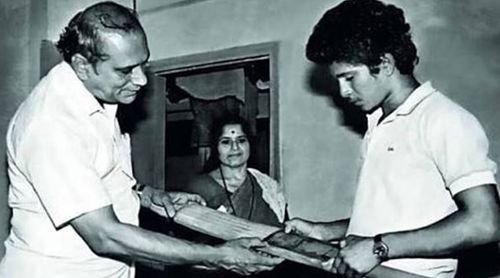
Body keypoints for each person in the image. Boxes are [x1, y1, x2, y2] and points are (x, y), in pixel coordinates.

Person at [0, 2, 282, 278]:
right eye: (125, 71)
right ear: (82, 66)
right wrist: (219, 255)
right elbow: (104, 235)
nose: (141, 80)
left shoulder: (100, 99)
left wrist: (146, 195)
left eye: (142, 65)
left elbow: (101, 177)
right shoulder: (52, 123)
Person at [285, 0, 500, 277]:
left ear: (385, 63)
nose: (342, 91)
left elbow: (486, 221)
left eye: (349, 78)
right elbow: (400, 217)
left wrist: (378, 248)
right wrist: (325, 231)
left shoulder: (443, 119)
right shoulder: (379, 123)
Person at [179, 114, 288, 278]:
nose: (235, 147)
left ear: (250, 144)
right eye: (226, 142)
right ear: (216, 148)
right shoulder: (199, 187)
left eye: (241, 140)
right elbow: (189, 245)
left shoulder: (267, 186)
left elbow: (283, 235)